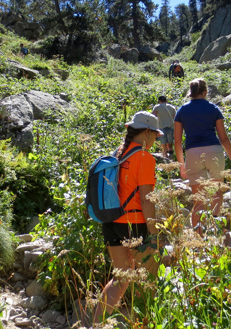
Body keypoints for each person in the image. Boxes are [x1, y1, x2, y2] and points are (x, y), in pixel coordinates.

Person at [92, 111, 161, 325]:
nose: (155, 141)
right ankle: (146, 323)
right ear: (147, 132)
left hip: (111, 222)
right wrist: (154, 233)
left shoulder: (118, 153)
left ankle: (94, 324)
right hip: (135, 224)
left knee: (120, 279)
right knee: (146, 280)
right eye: (155, 136)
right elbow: (146, 199)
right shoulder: (143, 157)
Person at [174, 78, 231, 233]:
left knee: (198, 199)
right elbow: (223, 138)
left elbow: (177, 141)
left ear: (191, 93)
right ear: (205, 92)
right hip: (214, 151)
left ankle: (198, 238)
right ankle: (215, 230)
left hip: (192, 153)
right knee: (217, 192)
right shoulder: (214, 108)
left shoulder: (182, 110)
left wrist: (181, 164)